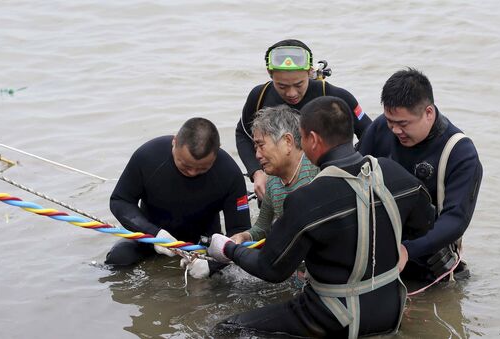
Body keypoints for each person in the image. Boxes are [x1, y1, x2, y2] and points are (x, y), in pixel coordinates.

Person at [207, 96, 434, 338]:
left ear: (312, 140)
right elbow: (425, 223)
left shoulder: (307, 198)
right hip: (390, 310)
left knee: (227, 329)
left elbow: (271, 270)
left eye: (302, 138)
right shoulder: (393, 172)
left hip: (334, 317)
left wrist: (229, 249)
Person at [358, 68, 483, 282]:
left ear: (428, 113)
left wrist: (407, 250)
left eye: (403, 124)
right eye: (391, 121)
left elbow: (456, 220)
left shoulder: (460, 153)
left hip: (428, 263)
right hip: (378, 249)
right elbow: (354, 173)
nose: (395, 130)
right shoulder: (381, 128)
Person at [106, 117, 251, 279]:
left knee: (218, 283)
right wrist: (154, 234)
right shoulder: (148, 156)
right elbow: (120, 200)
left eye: (202, 168)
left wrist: (211, 265)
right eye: (185, 165)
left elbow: (239, 233)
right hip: (151, 237)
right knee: (118, 260)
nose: (192, 173)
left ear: (216, 153)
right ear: (174, 142)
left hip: (202, 244)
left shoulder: (230, 174)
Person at [236, 39, 372, 201]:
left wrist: (351, 170)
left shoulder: (336, 97)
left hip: (328, 188)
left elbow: (371, 133)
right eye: (282, 86)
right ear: (269, 73)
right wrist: (256, 172)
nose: (291, 93)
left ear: (309, 72)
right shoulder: (259, 96)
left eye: (299, 84)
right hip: (276, 190)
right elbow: (242, 134)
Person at [231, 105, 319, 244]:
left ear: (288, 141)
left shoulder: (318, 167)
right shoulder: (272, 182)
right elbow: (261, 228)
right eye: (255, 148)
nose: (257, 155)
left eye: (261, 145)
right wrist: (243, 237)